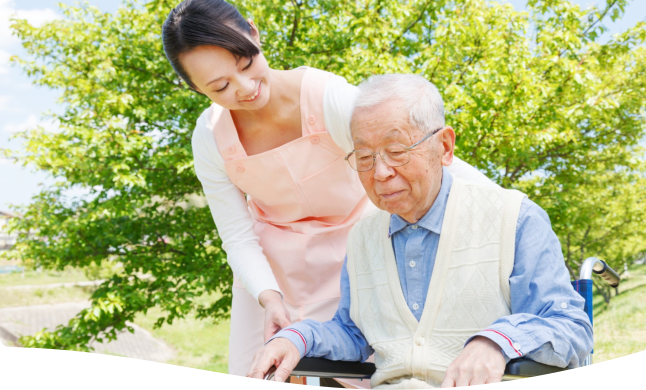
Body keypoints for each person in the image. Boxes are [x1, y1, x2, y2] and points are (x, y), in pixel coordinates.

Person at [161, 1, 496, 385]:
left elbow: (423, 155)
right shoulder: (209, 137)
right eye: (220, 87)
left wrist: (507, 212)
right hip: (272, 276)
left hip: (356, 260)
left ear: (253, 33)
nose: (246, 88)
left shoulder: (327, 97)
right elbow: (237, 236)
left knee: (368, 371)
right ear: (194, 88)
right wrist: (269, 298)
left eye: (246, 63)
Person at [248, 74, 594, 388]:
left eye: (397, 151)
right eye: (365, 157)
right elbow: (352, 332)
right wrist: (297, 338)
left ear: (444, 147)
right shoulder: (363, 236)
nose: (380, 172)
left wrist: (497, 342)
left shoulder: (516, 218)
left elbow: (572, 328)